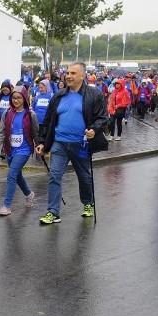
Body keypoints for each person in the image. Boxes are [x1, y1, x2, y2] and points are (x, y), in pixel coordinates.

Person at [36, 62, 108, 224]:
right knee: (54, 176)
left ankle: (88, 203)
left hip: (80, 144)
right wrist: (42, 141)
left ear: (83, 76)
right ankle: (53, 212)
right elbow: (48, 121)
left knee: (84, 177)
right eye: (68, 73)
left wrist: (94, 130)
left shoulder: (93, 95)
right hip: (59, 143)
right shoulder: (58, 96)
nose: (68, 76)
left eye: (73, 73)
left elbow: (103, 117)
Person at [0, 90, 38, 215]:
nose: (16, 100)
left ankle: (6, 206)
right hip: (10, 149)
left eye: (19, 98)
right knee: (17, 174)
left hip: (24, 149)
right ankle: (29, 194)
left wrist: (40, 146)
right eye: (14, 98)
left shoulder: (30, 114)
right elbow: (1, 132)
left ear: (24, 99)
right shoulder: (7, 113)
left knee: (11, 174)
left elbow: (36, 132)